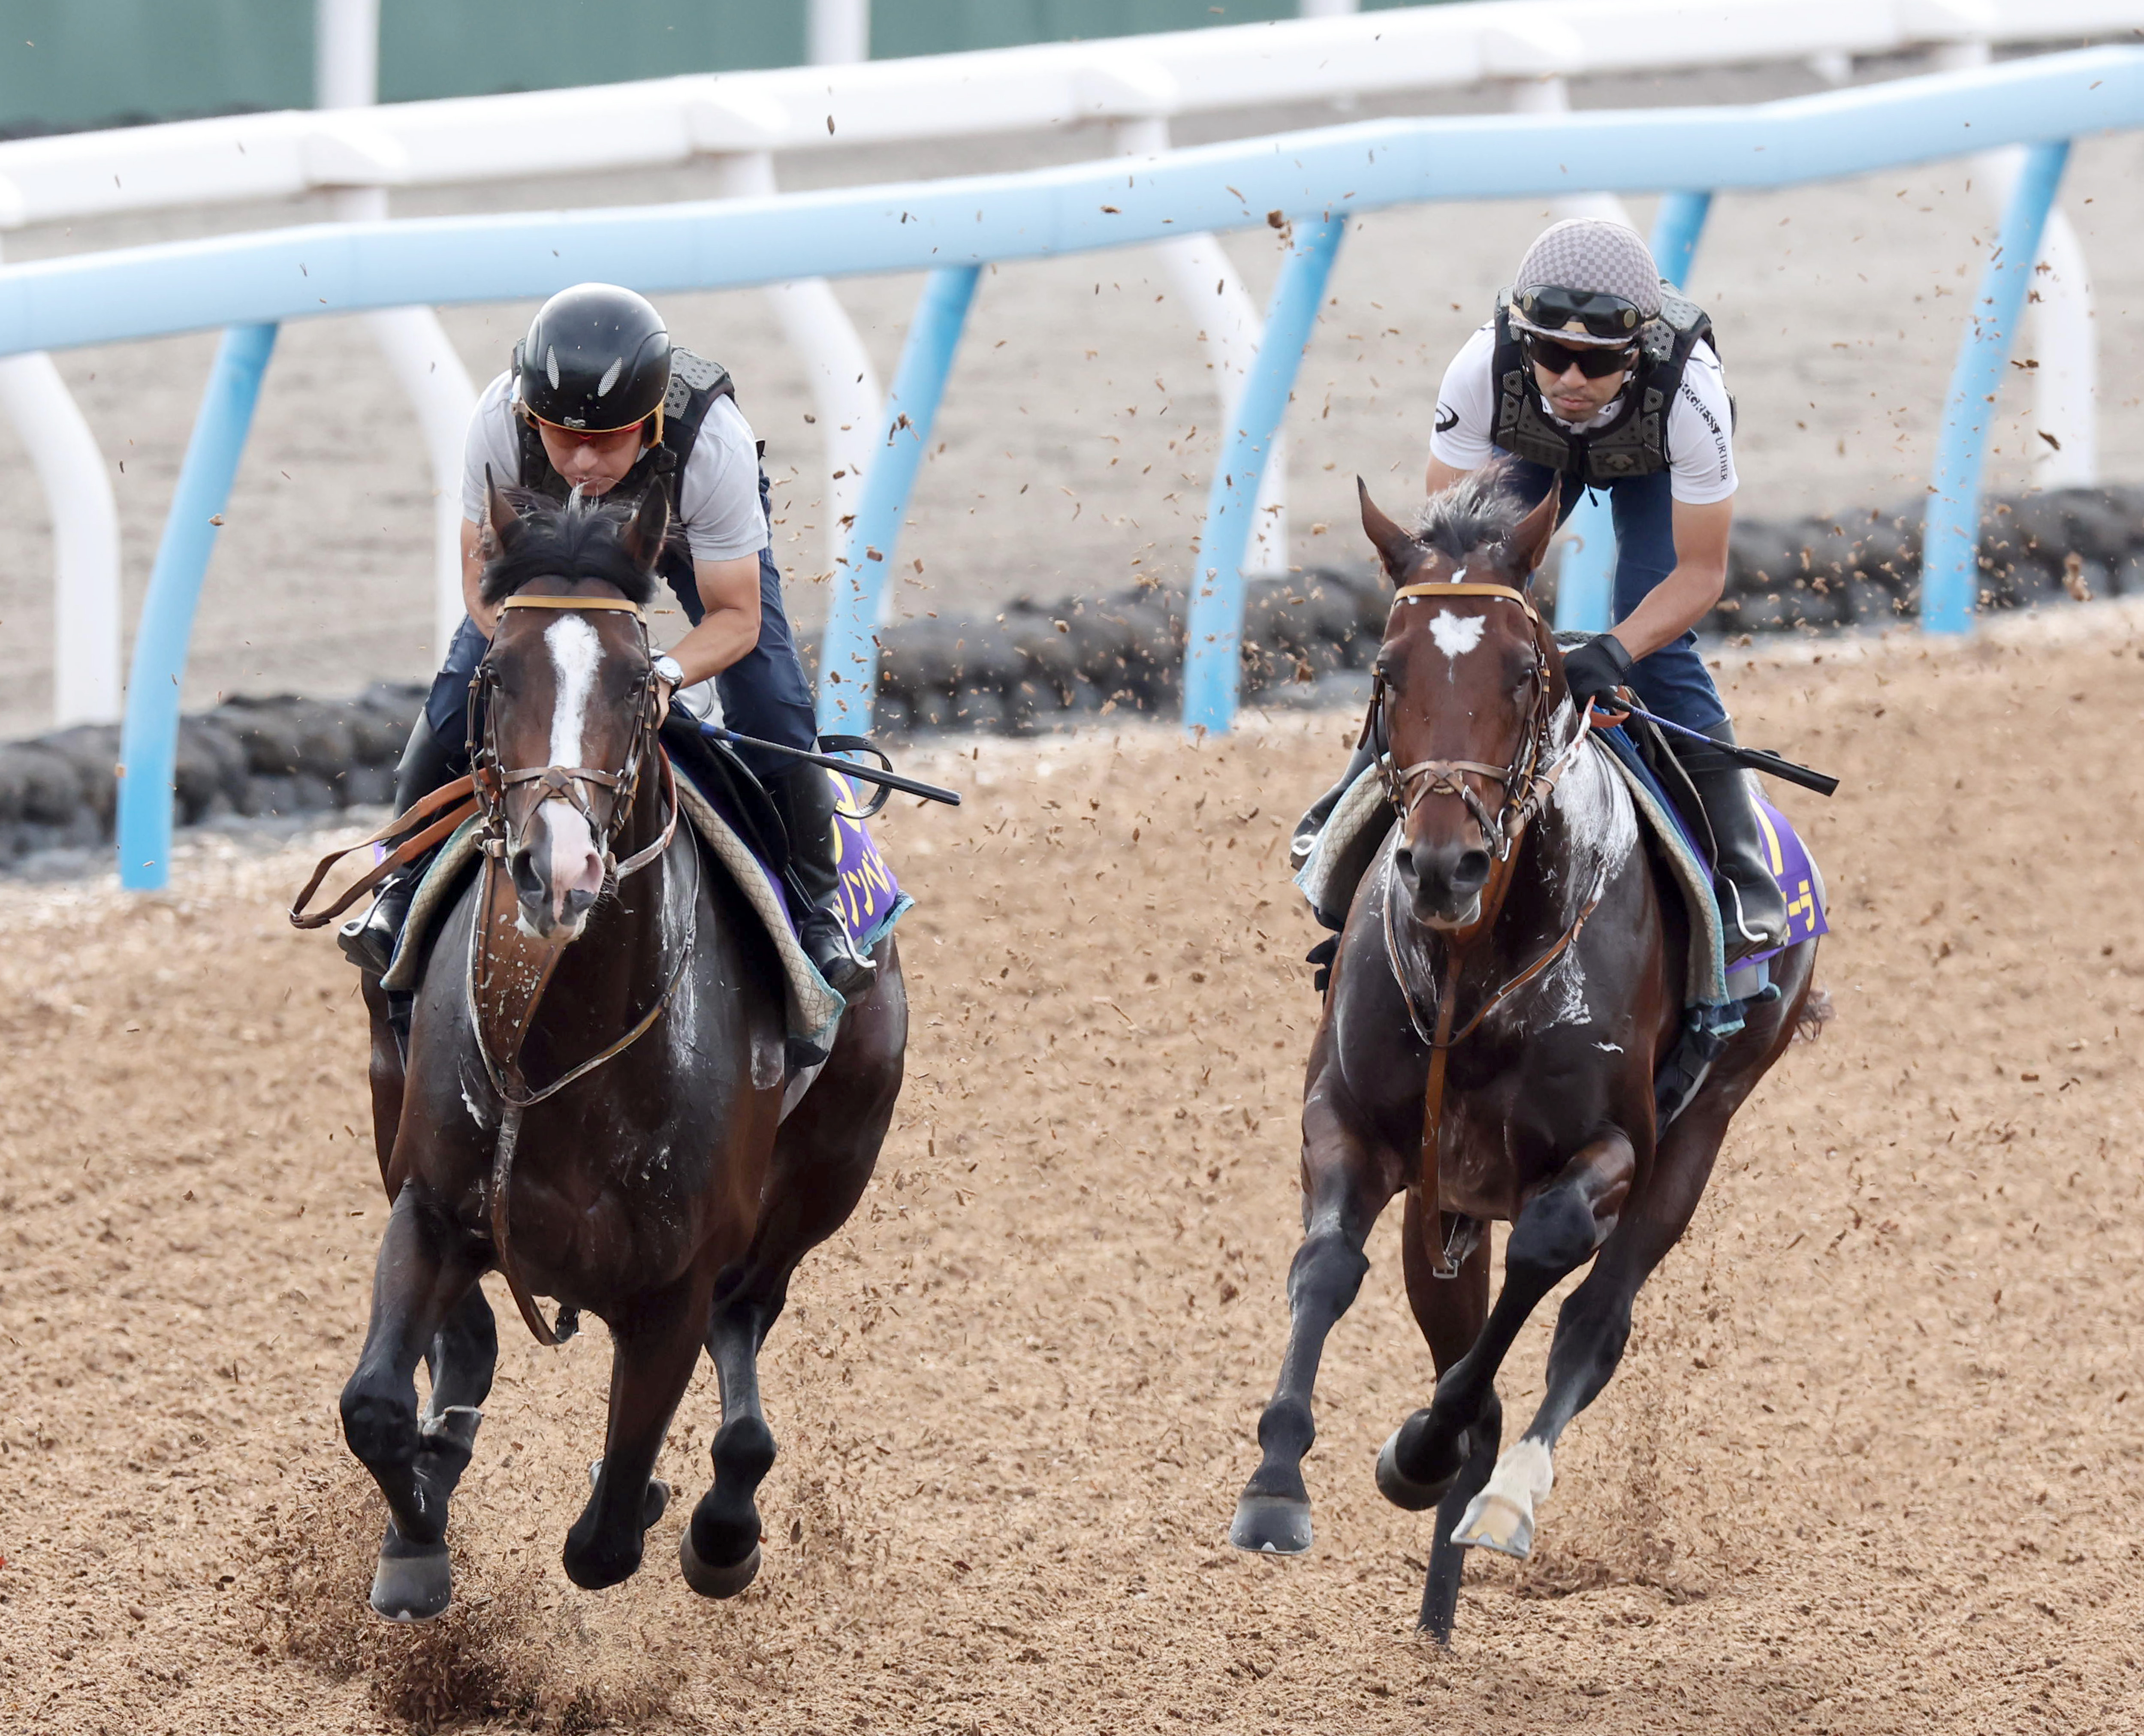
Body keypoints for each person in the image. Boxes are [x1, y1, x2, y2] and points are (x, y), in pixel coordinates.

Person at [337, 281, 875, 1000]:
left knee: (776, 712)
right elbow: (480, 582)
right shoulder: (496, 422)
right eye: (564, 439)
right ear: (531, 417)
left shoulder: (712, 445)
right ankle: (398, 893)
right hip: (539, 566)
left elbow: (736, 619)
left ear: (651, 424)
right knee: (447, 714)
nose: (584, 465)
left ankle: (819, 915)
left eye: (608, 442)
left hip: (678, 540)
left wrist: (663, 676)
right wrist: (547, 666)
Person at [1292, 217, 1788, 962]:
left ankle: (1744, 871)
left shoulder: (1692, 396)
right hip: (1523, 457)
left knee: (1659, 655)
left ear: (1641, 350)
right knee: (1448, 645)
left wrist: (1615, 652)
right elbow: (1442, 579)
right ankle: (1352, 809)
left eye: (1597, 362)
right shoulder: (1479, 371)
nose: (1572, 381)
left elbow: (1700, 575)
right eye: (1552, 355)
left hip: (1651, 472)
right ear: (1524, 341)